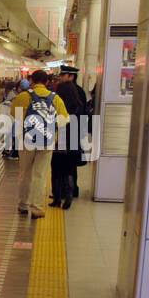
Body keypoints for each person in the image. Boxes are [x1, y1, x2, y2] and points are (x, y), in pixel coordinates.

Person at [11, 70, 68, 218]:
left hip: (27, 140)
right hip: (47, 141)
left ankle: (23, 205)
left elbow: (15, 117)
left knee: (24, 173)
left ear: (31, 81)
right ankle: (36, 208)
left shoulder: (23, 97)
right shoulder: (56, 99)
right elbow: (64, 120)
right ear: (47, 82)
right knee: (40, 174)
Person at [53, 65, 88, 208]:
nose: (61, 77)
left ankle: (59, 194)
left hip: (62, 132)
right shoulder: (80, 92)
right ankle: (71, 192)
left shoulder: (61, 92)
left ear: (71, 76)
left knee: (57, 165)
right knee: (70, 165)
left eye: (63, 75)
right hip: (75, 132)